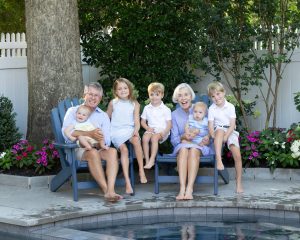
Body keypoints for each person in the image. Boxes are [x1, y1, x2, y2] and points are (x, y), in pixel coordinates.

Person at [62, 82, 122, 202]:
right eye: (90, 94)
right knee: (92, 153)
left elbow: (107, 140)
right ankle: (106, 191)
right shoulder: (73, 111)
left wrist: (99, 140)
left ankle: (111, 190)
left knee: (112, 152)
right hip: (78, 149)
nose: (93, 98)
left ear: (100, 99)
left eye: (97, 96)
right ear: (85, 94)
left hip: (97, 146)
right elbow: (66, 133)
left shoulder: (103, 116)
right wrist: (88, 134)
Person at [107, 77, 147, 195]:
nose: (123, 90)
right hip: (116, 131)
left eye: (125, 88)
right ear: (115, 92)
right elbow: (106, 117)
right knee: (124, 150)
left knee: (136, 140)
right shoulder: (113, 103)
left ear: (129, 89)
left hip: (129, 130)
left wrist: (136, 130)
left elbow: (136, 122)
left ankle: (141, 170)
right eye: (120, 89)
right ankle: (128, 183)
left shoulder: (135, 104)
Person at [171, 83, 210, 200]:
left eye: (186, 95)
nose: (183, 98)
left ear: (191, 96)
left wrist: (205, 138)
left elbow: (210, 130)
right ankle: (182, 188)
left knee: (193, 150)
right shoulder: (174, 115)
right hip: (182, 144)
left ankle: (189, 189)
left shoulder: (199, 109)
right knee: (183, 150)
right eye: (180, 96)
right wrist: (184, 136)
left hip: (199, 144)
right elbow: (174, 140)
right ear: (176, 99)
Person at [207, 81, 243, 193]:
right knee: (219, 131)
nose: (216, 98)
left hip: (230, 131)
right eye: (213, 96)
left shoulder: (230, 107)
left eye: (218, 94)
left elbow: (232, 125)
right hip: (218, 130)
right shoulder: (212, 108)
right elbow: (211, 125)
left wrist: (226, 136)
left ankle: (238, 183)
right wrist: (213, 135)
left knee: (237, 155)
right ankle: (219, 159)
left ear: (224, 93)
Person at [141, 82, 172, 169]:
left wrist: (164, 133)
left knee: (154, 138)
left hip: (162, 130)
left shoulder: (166, 109)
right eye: (152, 94)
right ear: (149, 95)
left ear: (162, 95)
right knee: (145, 138)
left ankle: (152, 160)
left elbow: (169, 124)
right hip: (151, 129)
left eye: (157, 94)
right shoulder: (147, 108)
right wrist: (147, 128)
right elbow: (142, 121)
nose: (154, 97)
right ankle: (147, 160)